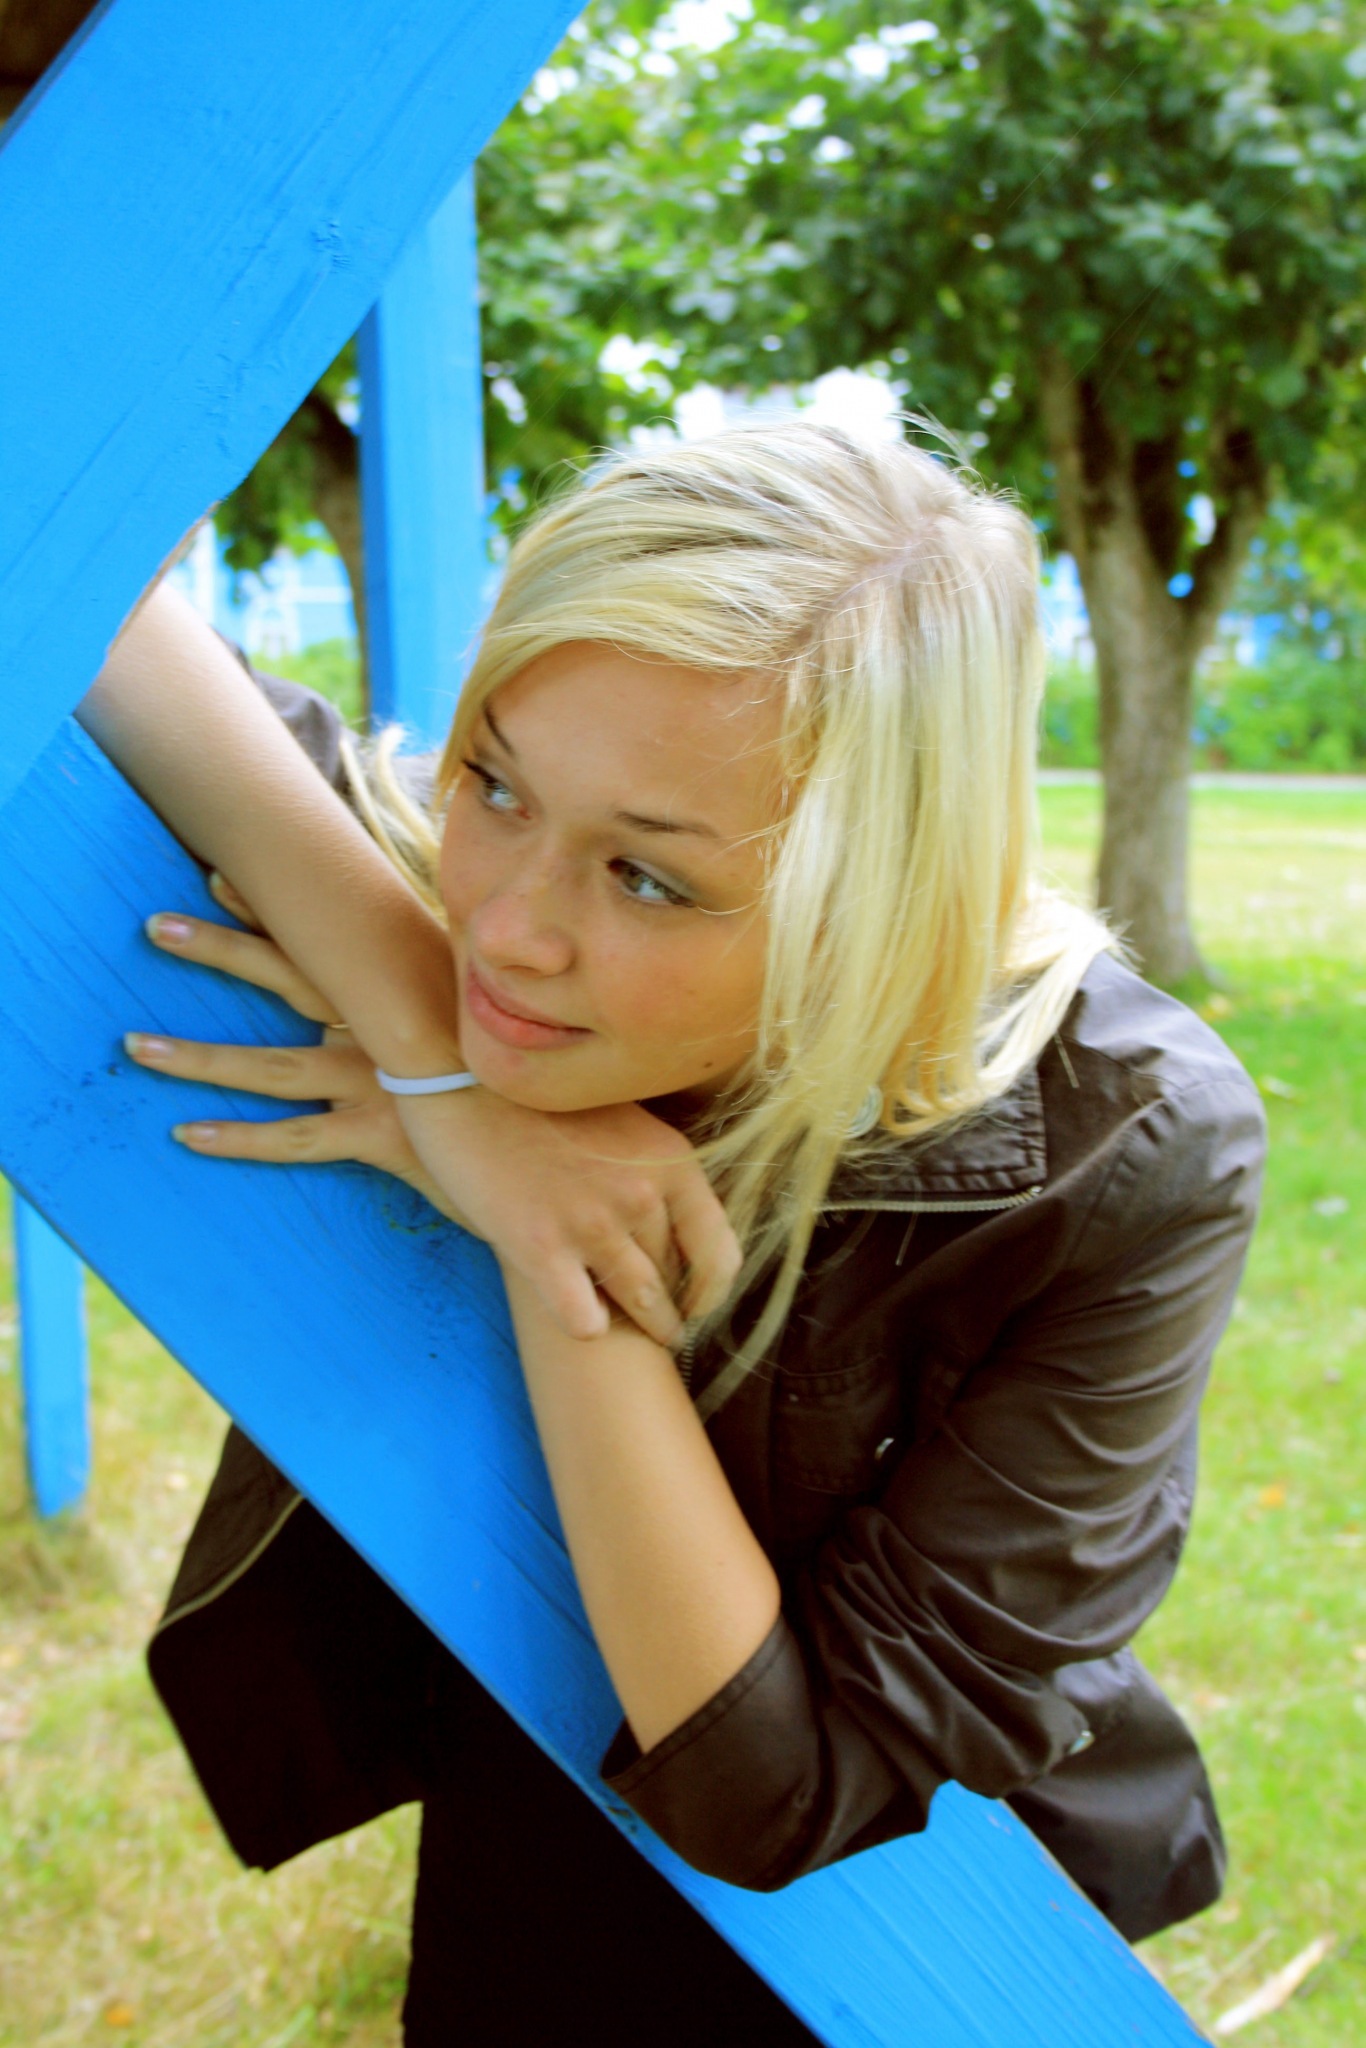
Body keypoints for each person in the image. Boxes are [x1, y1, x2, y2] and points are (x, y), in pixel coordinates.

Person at [79, 422, 1265, 2043]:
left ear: (877, 900)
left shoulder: (1124, 1148)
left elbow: (779, 1790)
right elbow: (70, 588)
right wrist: (442, 1064)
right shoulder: (444, 899)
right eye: (495, 780)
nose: (507, 927)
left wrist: (553, 1236)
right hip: (534, 1836)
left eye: (648, 879)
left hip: (925, 1940)